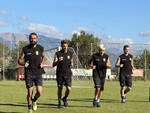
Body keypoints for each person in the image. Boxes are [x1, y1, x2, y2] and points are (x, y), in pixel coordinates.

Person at [18, 32, 45, 113]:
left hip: (38, 72)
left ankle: (34, 100)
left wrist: (42, 63)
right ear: (29, 39)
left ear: (37, 39)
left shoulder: (40, 48)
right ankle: (29, 109)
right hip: (29, 73)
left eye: (34, 38)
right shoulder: (25, 49)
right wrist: (23, 63)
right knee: (30, 93)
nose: (32, 40)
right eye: (31, 38)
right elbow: (19, 60)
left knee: (39, 92)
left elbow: (44, 56)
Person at [53, 40, 73, 108]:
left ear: (67, 46)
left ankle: (64, 98)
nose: (65, 47)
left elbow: (71, 61)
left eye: (66, 46)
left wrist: (71, 64)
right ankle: (59, 102)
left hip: (68, 74)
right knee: (60, 88)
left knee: (69, 89)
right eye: (63, 46)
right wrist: (58, 61)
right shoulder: (57, 53)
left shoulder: (70, 53)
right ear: (61, 46)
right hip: (59, 74)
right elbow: (53, 64)